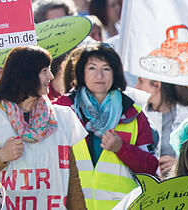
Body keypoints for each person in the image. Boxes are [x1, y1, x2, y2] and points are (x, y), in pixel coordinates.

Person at [0, 45, 87, 209]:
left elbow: (72, 181)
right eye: (44, 71)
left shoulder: (62, 117)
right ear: (25, 75)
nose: (51, 76)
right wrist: (0, 156)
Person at [54, 42, 158, 209]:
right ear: (82, 73)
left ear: (115, 73)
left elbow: (151, 167)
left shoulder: (133, 113)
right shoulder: (62, 109)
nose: (99, 75)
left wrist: (121, 148)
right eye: (92, 68)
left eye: (106, 69)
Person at [134, 77, 188, 174]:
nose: (136, 87)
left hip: (183, 180)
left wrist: (179, 164)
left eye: (141, 81)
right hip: (147, 180)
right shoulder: (137, 115)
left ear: (157, 84)